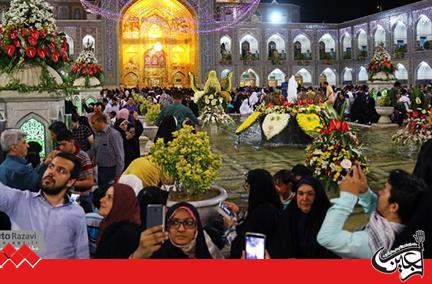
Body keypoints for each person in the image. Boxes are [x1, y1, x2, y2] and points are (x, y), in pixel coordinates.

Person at [317, 166, 426, 258]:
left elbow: (327, 238)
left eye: (384, 190)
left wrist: (347, 196)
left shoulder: (371, 243)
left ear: (393, 207)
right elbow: (378, 209)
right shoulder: (402, 226)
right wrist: (364, 191)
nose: (379, 192)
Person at [0, 152, 89, 258]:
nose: (51, 172)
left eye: (61, 170)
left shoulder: (76, 213)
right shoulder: (20, 200)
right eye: (51, 166)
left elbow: (81, 252)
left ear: (70, 181)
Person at [269, 177, 338, 258]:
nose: (305, 198)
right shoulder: (288, 217)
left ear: (317, 196)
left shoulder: (328, 220)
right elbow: (277, 248)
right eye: (300, 193)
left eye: (310, 194)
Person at [131, 202, 220, 259]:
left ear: (196, 228)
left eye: (188, 223)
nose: (181, 229)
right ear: (167, 227)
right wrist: (137, 256)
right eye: (174, 222)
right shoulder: (154, 252)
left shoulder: (207, 247)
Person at [228, 169, 283, 258]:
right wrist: (238, 212)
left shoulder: (262, 214)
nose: (248, 190)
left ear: (256, 187)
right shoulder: (273, 205)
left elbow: (240, 248)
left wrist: (230, 227)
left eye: (248, 186)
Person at [94, 183, 141, 259]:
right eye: (105, 196)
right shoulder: (106, 226)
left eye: (109, 198)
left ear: (121, 203)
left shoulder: (126, 235)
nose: (101, 200)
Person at [88, 112, 124, 190]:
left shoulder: (113, 135)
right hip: (100, 169)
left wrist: (118, 175)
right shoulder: (97, 134)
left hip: (111, 170)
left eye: (94, 123)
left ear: (101, 122)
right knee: (101, 192)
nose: (92, 126)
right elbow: (93, 150)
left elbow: (120, 156)